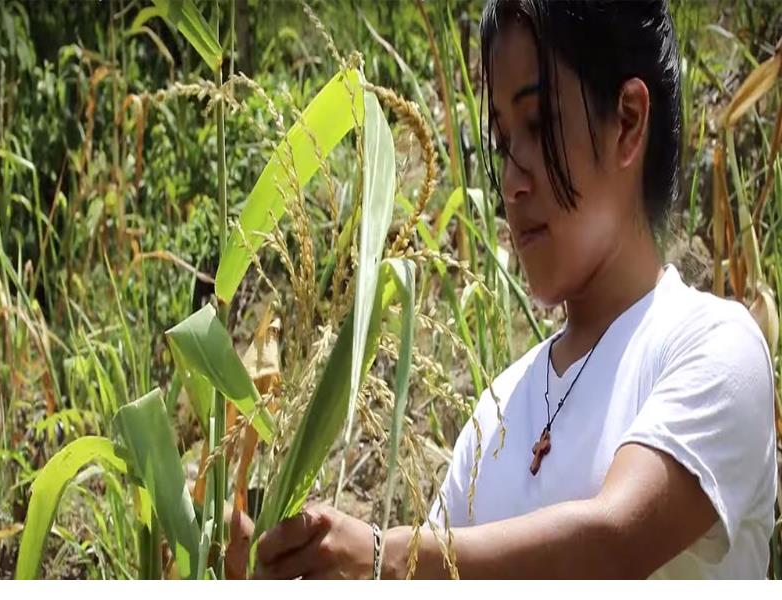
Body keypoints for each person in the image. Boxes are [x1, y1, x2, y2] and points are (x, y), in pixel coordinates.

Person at [242, 0, 778, 579]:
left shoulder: (714, 347)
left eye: (540, 123)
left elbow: (615, 542)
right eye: (502, 140)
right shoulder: (497, 412)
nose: (512, 178)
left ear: (627, 121)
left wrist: (380, 557)